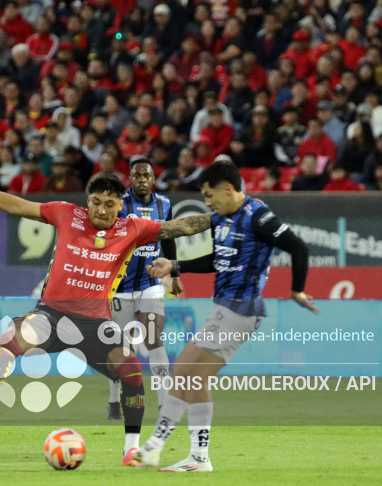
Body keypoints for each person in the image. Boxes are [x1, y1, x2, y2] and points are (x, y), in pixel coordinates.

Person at [0, 172, 213, 466]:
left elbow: (180, 226)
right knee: (8, 340)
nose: (101, 210)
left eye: (109, 204)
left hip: (95, 326)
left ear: (121, 205)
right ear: (87, 201)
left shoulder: (133, 228)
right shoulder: (66, 213)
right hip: (50, 317)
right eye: (95, 202)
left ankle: (130, 449)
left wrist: (221, 217)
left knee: (131, 371)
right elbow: (17, 206)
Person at [134, 160, 315, 472]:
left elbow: (298, 247)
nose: (207, 202)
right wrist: (175, 266)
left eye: (209, 195)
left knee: (184, 369)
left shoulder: (257, 215)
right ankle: (199, 457)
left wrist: (297, 289)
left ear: (229, 190)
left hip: (241, 307)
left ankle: (154, 446)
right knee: (195, 377)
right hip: (226, 308)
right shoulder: (220, 219)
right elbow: (216, 260)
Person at [106, 157, 183, 421]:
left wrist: (174, 272)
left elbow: (169, 236)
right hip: (121, 288)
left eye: (146, 175)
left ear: (153, 179)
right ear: (130, 179)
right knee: (122, 347)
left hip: (150, 285)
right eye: (137, 176)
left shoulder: (165, 204)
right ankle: (115, 399)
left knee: (153, 338)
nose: (141, 180)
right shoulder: (118, 204)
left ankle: (165, 405)